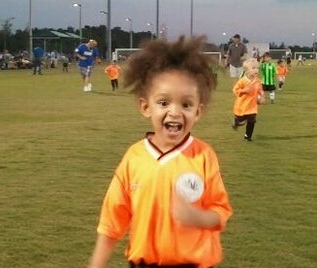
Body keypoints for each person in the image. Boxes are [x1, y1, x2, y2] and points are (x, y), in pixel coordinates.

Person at [87, 36, 233, 268]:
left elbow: (220, 212)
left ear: (198, 111)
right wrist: (96, 264)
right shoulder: (134, 158)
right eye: (164, 103)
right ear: (146, 107)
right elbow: (111, 220)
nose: (174, 112)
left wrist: (197, 217)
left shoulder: (204, 156)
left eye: (186, 104)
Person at [231, 58, 264, 142]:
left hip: (252, 106)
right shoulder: (242, 81)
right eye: (253, 68)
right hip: (242, 106)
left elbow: (260, 90)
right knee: (241, 119)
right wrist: (243, 91)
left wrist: (262, 97)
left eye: (257, 68)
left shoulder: (258, 81)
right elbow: (235, 90)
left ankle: (247, 136)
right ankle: (236, 121)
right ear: (247, 71)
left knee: (252, 120)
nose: (256, 70)